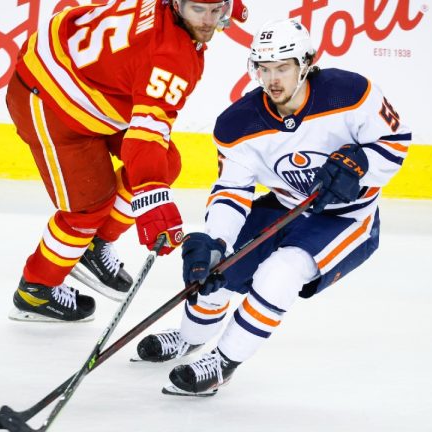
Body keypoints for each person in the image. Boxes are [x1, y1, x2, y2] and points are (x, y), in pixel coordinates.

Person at [134, 18, 412, 396]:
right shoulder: (238, 124)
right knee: (220, 265)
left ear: (307, 63)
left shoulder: (350, 93)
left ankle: (224, 362)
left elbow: (394, 142)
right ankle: (189, 337)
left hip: (346, 216)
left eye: (283, 67)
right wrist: (215, 239)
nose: (273, 80)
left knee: (280, 272)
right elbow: (232, 190)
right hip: (284, 205)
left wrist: (361, 165)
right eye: (264, 69)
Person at [4, 0, 249, 322]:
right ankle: (36, 289)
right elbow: (145, 138)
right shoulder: (172, 57)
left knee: (167, 164)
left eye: (217, 9)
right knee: (88, 207)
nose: (208, 21)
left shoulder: (169, 21)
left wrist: (152, 188)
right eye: (198, 10)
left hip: (85, 81)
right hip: (46, 97)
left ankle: (95, 246)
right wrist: (153, 204)